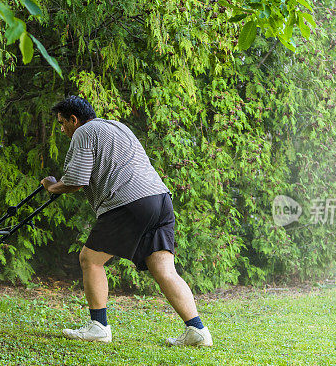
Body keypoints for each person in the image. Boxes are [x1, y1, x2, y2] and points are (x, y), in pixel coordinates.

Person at [41, 95, 212, 347]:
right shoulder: (117, 126)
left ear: (73, 119)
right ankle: (197, 331)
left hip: (130, 202)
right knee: (164, 269)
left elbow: (76, 180)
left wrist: (51, 187)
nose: (63, 129)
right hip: (160, 200)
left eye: (62, 123)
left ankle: (98, 327)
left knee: (90, 259)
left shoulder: (84, 131)